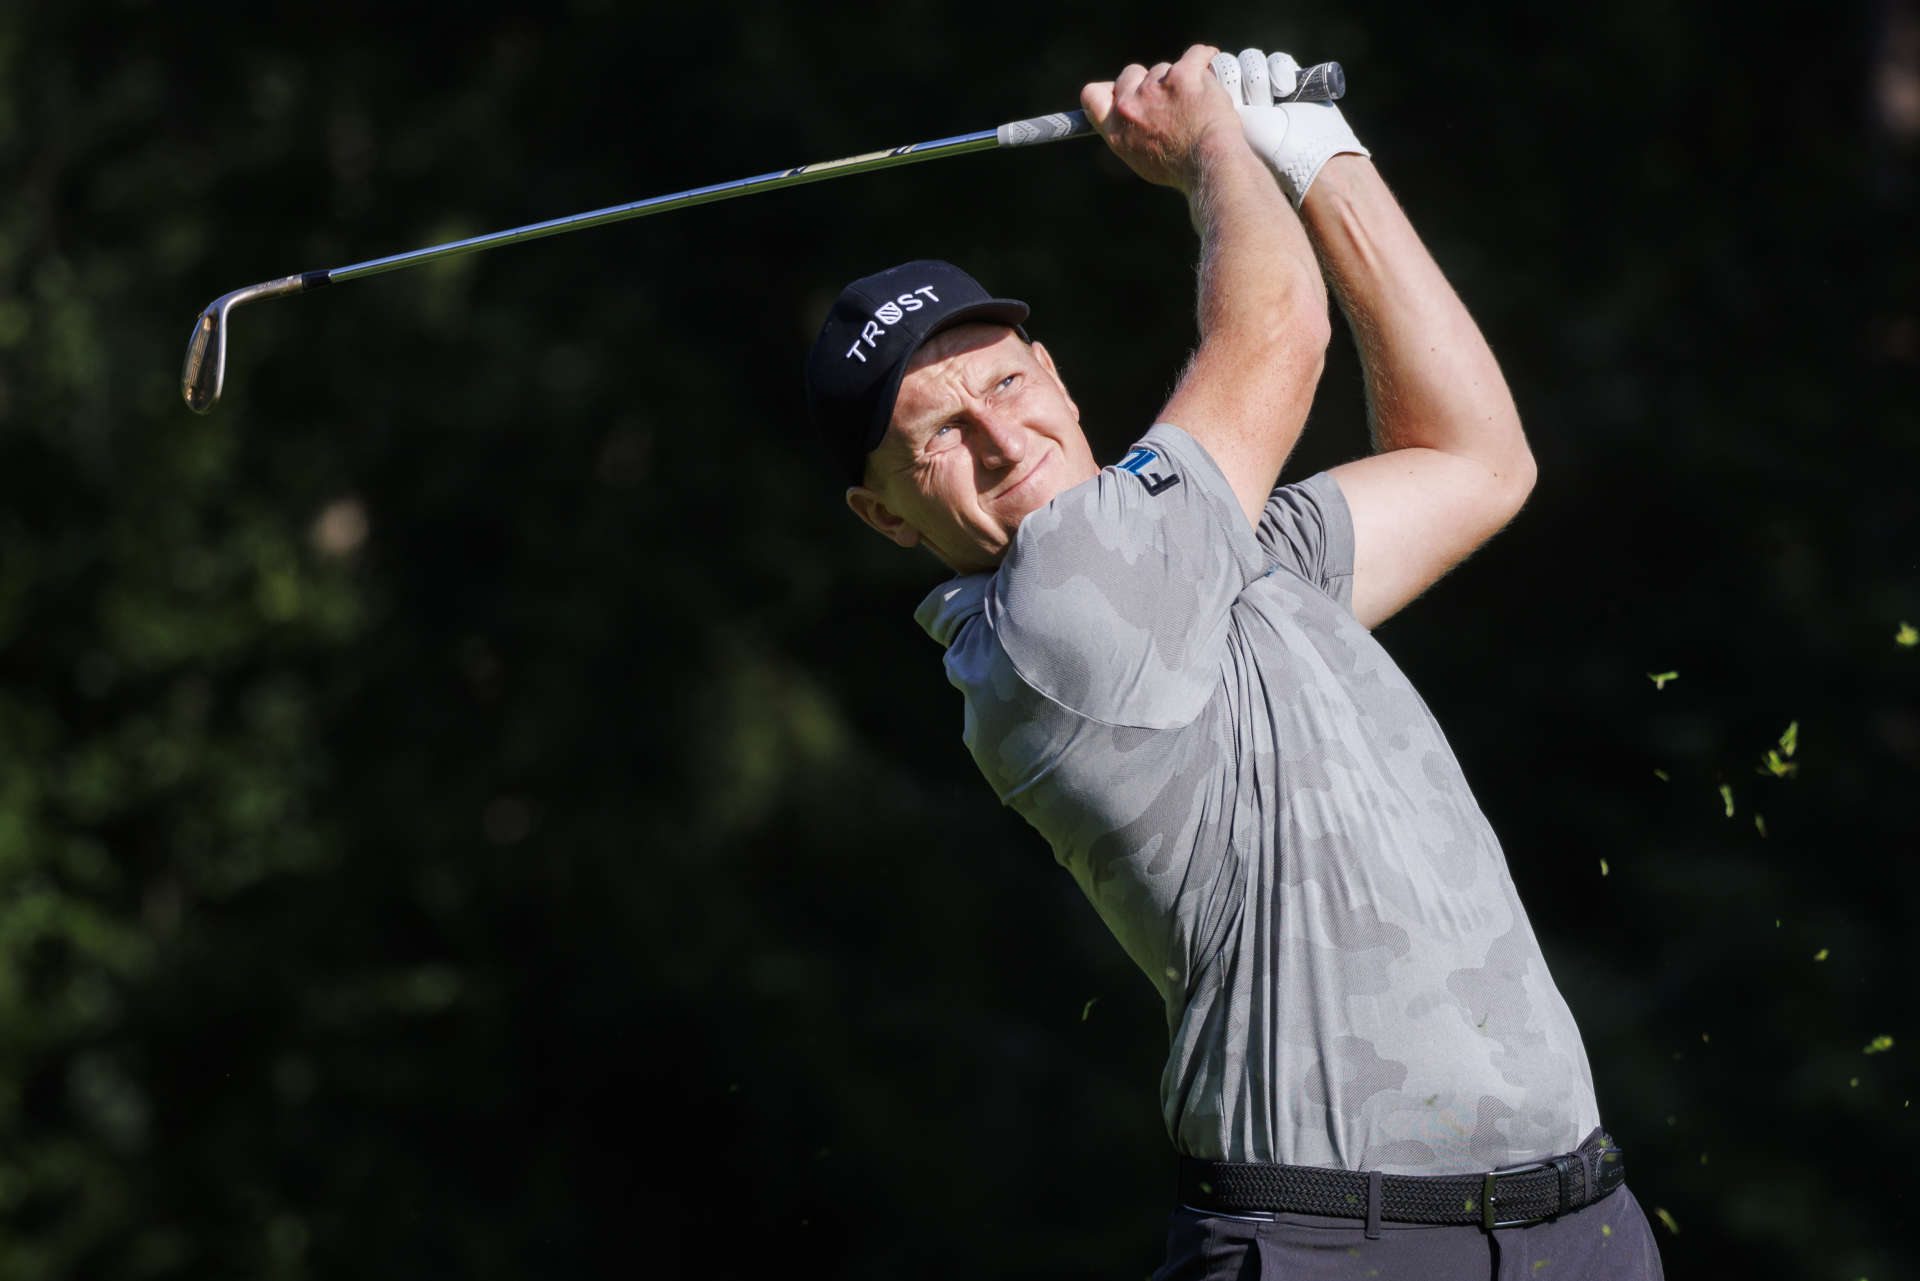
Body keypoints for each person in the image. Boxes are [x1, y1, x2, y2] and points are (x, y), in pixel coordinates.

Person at [803, 43, 1664, 1281]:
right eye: (937, 434)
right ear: (886, 516)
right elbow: (1280, 331)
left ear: (1054, 375)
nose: (1001, 434)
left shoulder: (1231, 561)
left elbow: (1478, 460)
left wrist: (1322, 160)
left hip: (1579, 1225)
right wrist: (1211, 144)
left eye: (1003, 378)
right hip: (1336, 1245)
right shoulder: (1053, 625)